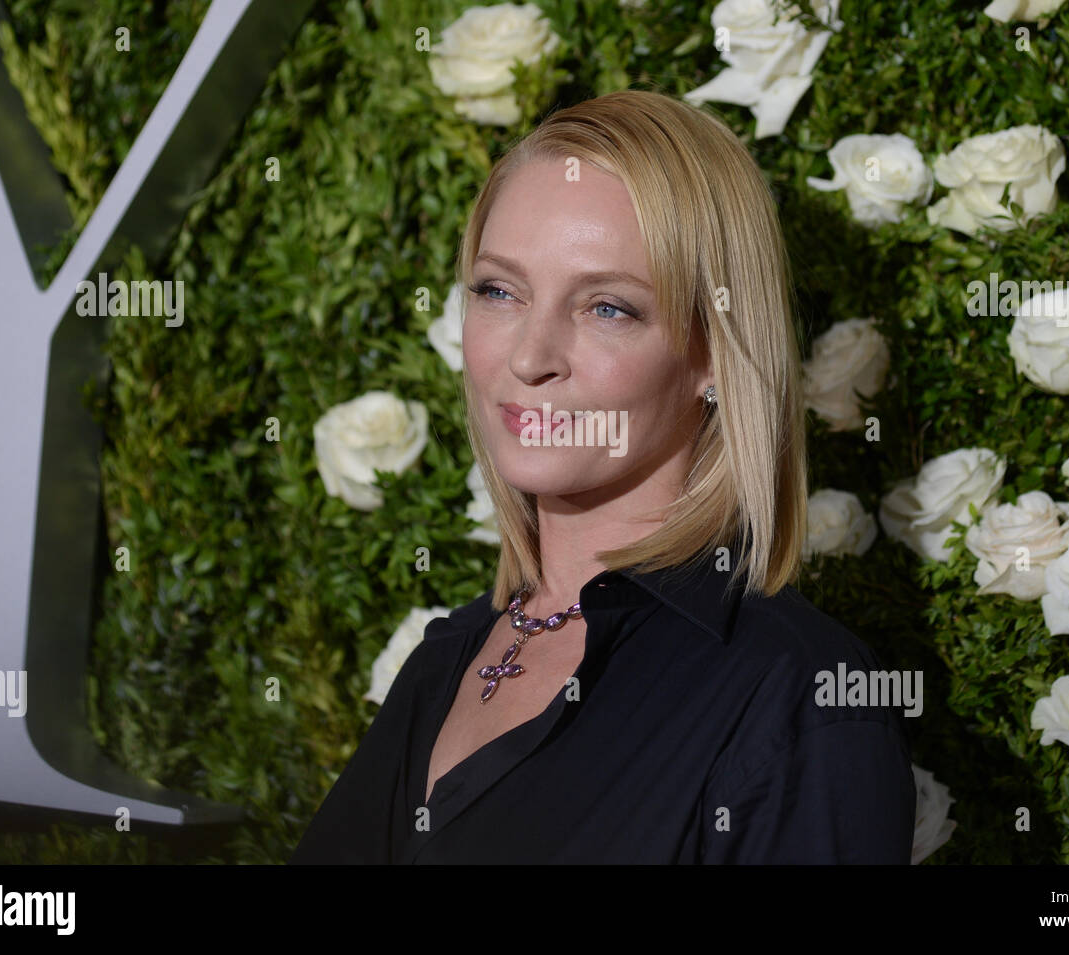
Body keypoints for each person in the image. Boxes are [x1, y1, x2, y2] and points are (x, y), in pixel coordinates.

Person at [290, 88, 916, 864]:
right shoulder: (443, 658)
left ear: (714, 356)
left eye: (607, 308)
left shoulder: (799, 700)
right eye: (499, 291)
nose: (528, 356)